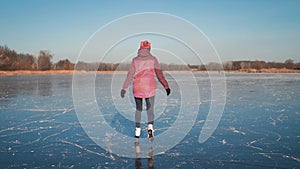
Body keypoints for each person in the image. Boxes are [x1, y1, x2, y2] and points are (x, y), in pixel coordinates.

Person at [121, 40, 171, 141]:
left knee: (138, 109)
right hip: (150, 87)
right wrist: (166, 86)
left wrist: (124, 88)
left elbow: (130, 74)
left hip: (138, 87)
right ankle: (150, 127)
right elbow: (159, 74)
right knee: (150, 109)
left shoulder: (135, 60)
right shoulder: (153, 59)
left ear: (140, 48)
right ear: (149, 48)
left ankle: (137, 130)